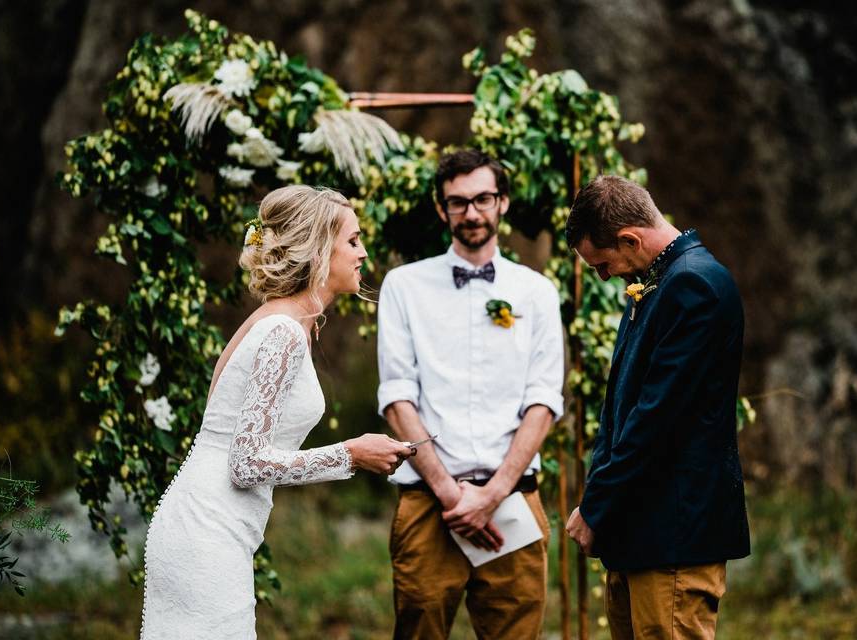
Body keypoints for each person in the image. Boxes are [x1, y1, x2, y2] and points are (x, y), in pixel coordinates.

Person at [140, 185, 413, 639]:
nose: (363, 252)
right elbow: (246, 464)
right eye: (353, 240)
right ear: (319, 249)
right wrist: (351, 454)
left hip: (211, 525)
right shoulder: (283, 331)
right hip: (207, 531)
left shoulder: (281, 321)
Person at [377, 149, 565, 639]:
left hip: (512, 503)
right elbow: (398, 400)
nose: (472, 213)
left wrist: (494, 492)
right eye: (457, 202)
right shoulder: (403, 286)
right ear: (442, 210)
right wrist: (450, 494)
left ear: (502, 202)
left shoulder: (537, 291)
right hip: (428, 502)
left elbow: (543, 402)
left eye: (483, 198)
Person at [564, 175, 750, 639]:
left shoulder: (694, 286)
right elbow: (620, 405)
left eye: (603, 264)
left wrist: (596, 506)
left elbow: (655, 419)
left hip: (675, 537)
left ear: (630, 238)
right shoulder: (662, 281)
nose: (605, 276)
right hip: (640, 534)